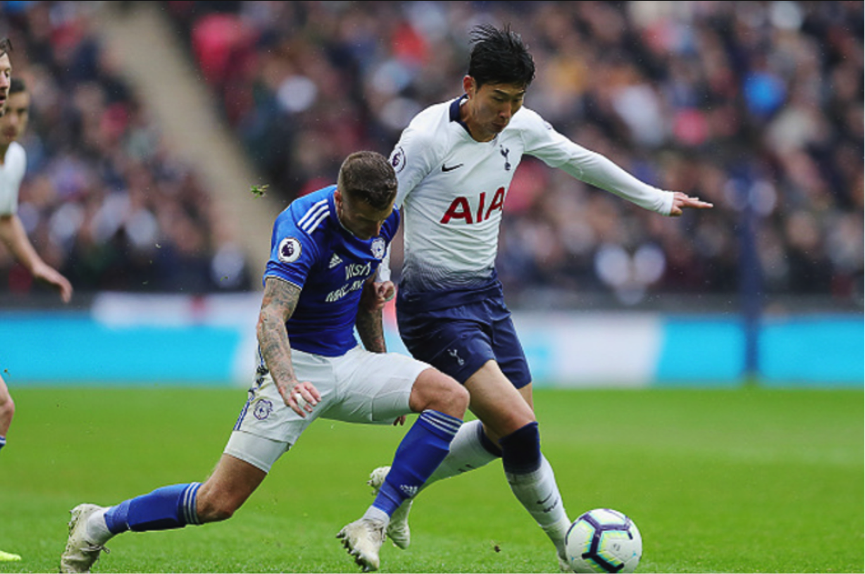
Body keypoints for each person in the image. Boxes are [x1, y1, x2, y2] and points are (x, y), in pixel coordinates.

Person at [368, 24, 714, 571]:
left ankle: (405, 480)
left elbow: (580, 159)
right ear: (469, 86)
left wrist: (655, 199)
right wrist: (378, 272)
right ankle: (566, 545)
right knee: (522, 429)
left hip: (485, 294)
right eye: (498, 99)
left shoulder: (521, 128)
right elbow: (381, 215)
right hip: (431, 306)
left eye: (517, 100)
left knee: (509, 434)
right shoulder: (424, 139)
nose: (506, 112)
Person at [58, 151, 469, 573]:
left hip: (349, 360)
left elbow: (364, 297)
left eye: (382, 219)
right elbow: (271, 315)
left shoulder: (384, 216)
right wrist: (288, 381)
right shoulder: (302, 227)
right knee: (217, 502)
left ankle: (377, 519)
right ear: (342, 202)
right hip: (295, 369)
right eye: (366, 221)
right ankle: (97, 523)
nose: (376, 229)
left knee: (450, 396)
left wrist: (383, 367)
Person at [0, 39, 72, 565]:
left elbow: (5, 218)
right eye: (8, 109)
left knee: (2, 407)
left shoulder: (15, 160)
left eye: (21, 110)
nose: (14, 118)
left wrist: (35, 264)